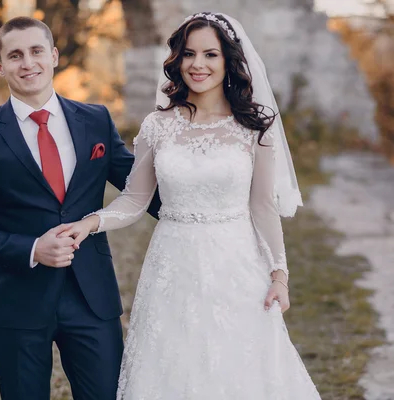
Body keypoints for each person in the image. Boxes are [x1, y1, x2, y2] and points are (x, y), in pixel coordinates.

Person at [61, 12, 321, 399]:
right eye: (189, 54)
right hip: (172, 267)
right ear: (177, 60)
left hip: (236, 267)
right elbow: (135, 199)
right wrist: (89, 223)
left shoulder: (254, 127)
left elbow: (263, 207)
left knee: (239, 369)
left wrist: (279, 276)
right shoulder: (157, 125)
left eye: (210, 55)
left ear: (229, 61)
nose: (198, 64)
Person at [0, 16, 160, 400]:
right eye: (15, 55)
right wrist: (31, 249)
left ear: (54, 56)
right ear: (0, 66)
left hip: (92, 297)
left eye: (36, 51)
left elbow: (140, 190)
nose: (27, 63)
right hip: (18, 299)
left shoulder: (96, 121)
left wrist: (203, 217)